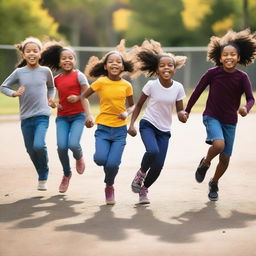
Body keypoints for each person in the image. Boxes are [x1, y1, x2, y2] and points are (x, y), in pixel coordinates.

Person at [184, 29, 256, 201]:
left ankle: (214, 182)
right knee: (218, 145)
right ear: (220, 57)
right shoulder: (212, 73)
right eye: (225, 55)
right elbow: (197, 92)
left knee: (225, 159)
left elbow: (251, 98)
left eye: (232, 55)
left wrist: (246, 108)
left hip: (230, 121)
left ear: (239, 58)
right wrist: (187, 110)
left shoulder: (242, 77)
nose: (229, 58)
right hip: (212, 116)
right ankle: (205, 163)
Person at [128, 40, 187, 204]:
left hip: (164, 131)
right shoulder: (151, 85)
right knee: (152, 151)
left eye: (170, 65)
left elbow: (180, 109)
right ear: (157, 69)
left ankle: (144, 189)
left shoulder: (178, 88)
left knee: (159, 165)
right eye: (163, 65)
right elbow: (139, 105)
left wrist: (183, 115)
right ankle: (140, 173)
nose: (166, 68)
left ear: (174, 69)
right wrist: (132, 124)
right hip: (148, 124)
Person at [81, 40, 135, 205]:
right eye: (110, 61)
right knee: (100, 159)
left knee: (112, 164)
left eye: (118, 61)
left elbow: (133, 106)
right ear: (105, 66)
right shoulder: (100, 82)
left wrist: (126, 112)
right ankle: (109, 173)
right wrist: (88, 115)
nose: (114, 64)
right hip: (103, 128)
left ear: (122, 66)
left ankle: (109, 186)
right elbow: (83, 96)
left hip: (119, 131)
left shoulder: (127, 85)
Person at [0, 37, 56, 191]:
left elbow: (51, 87)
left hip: (42, 114)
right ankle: (41, 173)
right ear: (23, 55)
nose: (32, 53)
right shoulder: (19, 72)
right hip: (25, 117)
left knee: (39, 145)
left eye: (35, 51)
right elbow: (3, 86)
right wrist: (14, 93)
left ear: (40, 54)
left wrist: (50, 98)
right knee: (30, 150)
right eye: (28, 51)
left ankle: (44, 173)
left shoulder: (45, 71)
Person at [40, 42, 94, 193]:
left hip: (78, 116)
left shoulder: (79, 76)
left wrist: (86, 110)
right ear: (59, 62)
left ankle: (79, 156)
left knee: (73, 144)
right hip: (62, 117)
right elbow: (52, 94)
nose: (67, 60)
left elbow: (87, 95)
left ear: (74, 60)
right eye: (64, 58)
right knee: (61, 147)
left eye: (70, 58)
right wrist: (53, 102)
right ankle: (66, 174)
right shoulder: (56, 79)